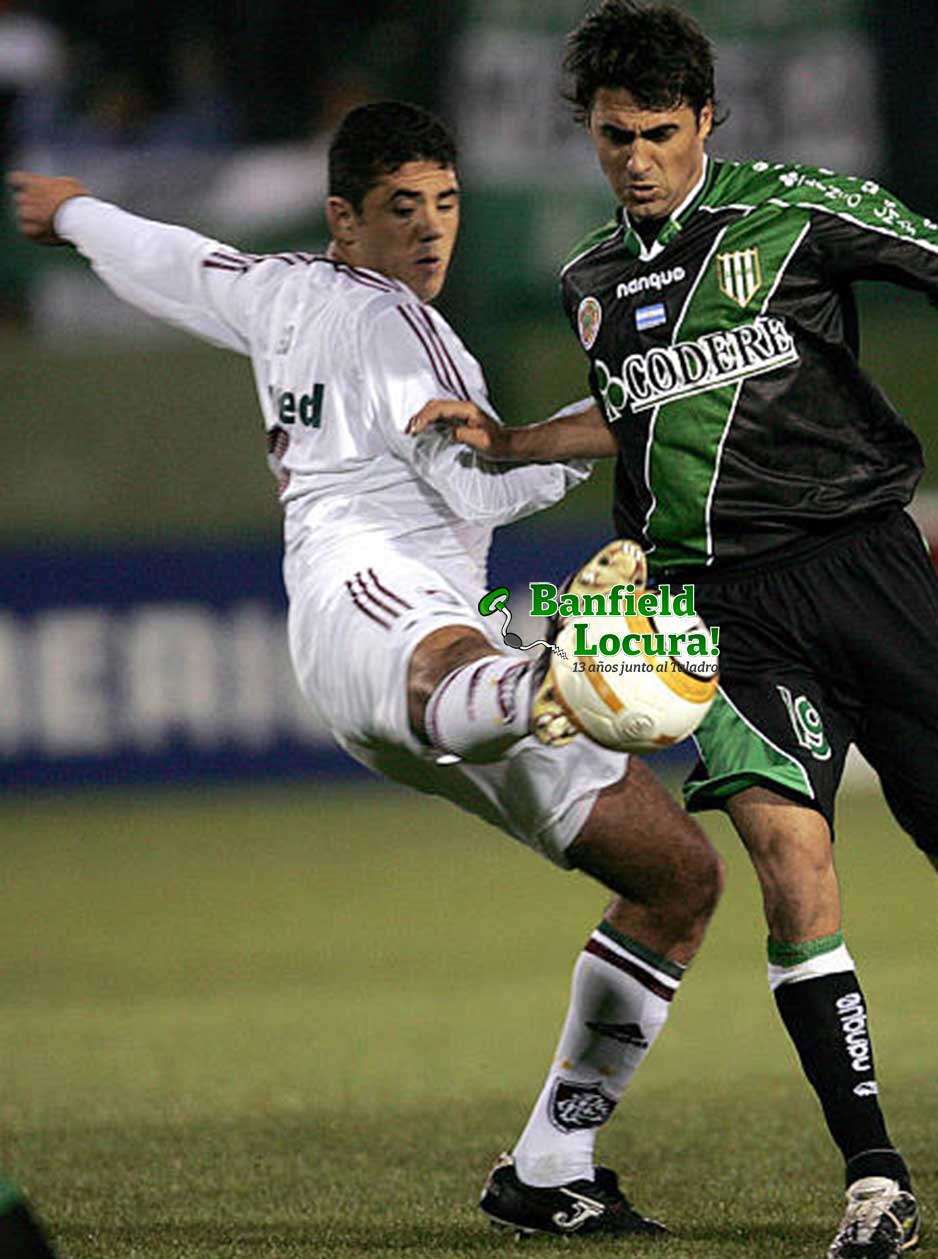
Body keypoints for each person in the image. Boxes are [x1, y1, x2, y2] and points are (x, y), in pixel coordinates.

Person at [408, 4, 938, 1256]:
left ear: (706, 119)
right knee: (791, 867)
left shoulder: (799, 212)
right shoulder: (590, 280)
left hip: (864, 566)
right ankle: (875, 1177)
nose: (639, 159)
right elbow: (635, 415)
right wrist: (510, 439)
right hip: (720, 610)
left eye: (661, 132)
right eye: (614, 139)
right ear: (590, 137)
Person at [8, 99, 726, 1239]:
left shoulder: (278, 286)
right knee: (466, 668)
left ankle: (551, 1160)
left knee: (677, 876)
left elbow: (174, 260)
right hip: (373, 598)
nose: (431, 232)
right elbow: (481, 482)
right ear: (346, 219)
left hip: (410, 643)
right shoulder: (401, 324)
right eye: (403, 209)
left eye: (445, 204)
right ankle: (543, 682)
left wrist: (76, 212)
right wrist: (626, 421)